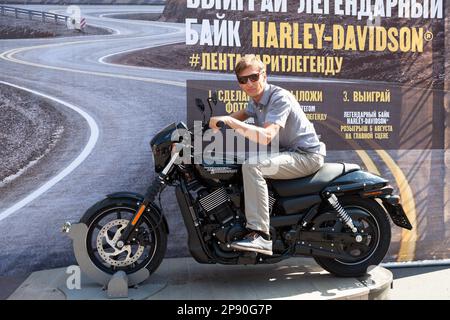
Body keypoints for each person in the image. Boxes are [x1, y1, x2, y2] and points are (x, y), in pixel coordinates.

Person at [209, 54, 326, 256]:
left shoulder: (279, 97)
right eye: (243, 80)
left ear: (264, 75)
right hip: (288, 153)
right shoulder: (256, 101)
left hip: (306, 155)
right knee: (240, 164)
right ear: (239, 84)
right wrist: (209, 126)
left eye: (253, 77)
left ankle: (260, 236)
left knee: (252, 166)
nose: (249, 83)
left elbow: (267, 136)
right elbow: (240, 114)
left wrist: (230, 123)